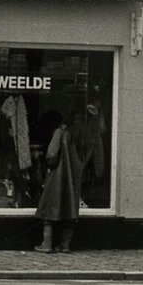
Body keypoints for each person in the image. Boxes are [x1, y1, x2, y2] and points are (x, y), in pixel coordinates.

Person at [35, 107, 83, 253]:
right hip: (74, 176)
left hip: (58, 176)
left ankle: (47, 243)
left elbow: (51, 156)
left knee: (50, 207)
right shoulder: (80, 134)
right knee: (70, 210)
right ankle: (65, 244)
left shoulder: (60, 132)